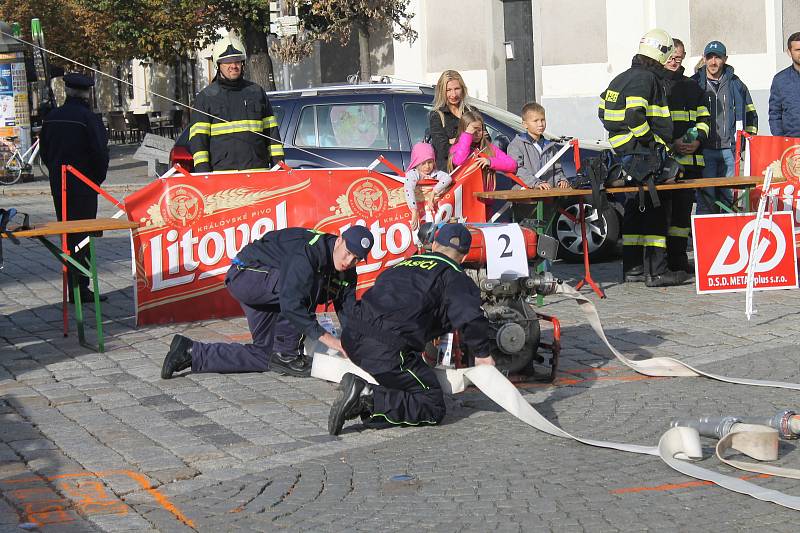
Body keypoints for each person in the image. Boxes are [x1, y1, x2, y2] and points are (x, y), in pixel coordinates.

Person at [328, 223, 495, 436]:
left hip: (352, 336)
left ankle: (376, 398)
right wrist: (482, 354)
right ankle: (367, 397)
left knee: (404, 384)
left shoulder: (403, 264)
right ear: (463, 258)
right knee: (432, 403)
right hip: (385, 349)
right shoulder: (453, 275)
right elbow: (470, 316)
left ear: (433, 244)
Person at [160, 225, 375, 380]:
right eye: (347, 253)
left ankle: (189, 353)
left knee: (265, 356)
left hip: (270, 288)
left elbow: (348, 312)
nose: (348, 262)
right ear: (339, 241)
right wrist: (332, 342)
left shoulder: (348, 272)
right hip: (245, 275)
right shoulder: (310, 253)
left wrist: (357, 345)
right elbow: (292, 303)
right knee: (307, 285)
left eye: (356, 259)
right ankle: (287, 353)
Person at [599, 28, 686, 287]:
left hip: (627, 153)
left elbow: (603, 111)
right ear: (660, 53)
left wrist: (624, 140)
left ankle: (633, 268)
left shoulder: (622, 77)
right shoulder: (646, 79)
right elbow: (635, 115)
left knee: (636, 210)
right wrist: (651, 142)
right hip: (643, 155)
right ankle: (657, 272)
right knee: (655, 211)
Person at [40, 73, 109, 303]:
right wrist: (96, 181)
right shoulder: (88, 118)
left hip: (60, 186)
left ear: (66, 91)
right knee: (84, 236)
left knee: (68, 236)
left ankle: (73, 286)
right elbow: (100, 153)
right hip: (84, 186)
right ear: (87, 93)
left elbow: (45, 153)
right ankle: (82, 286)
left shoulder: (51, 118)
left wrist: (55, 174)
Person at [188, 34, 283, 173]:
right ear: (218, 65)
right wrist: (204, 176)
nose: (233, 66)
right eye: (227, 62)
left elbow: (272, 135)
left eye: (237, 61)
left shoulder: (256, 93)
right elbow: (198, 143)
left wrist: (279, 168)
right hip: (222, 179)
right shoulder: (206, 97)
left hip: (259, 175)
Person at [691, 40, 758, 213]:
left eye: (718, 57)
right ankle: (708, 238)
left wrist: (745, 143)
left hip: (730, 151)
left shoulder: (736, 84)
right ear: (704, 59)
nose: (713, 62)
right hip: (704, 151)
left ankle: (729, 236)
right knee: (707, 198)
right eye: (710, 57)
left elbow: (750, 113)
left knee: (729, 198)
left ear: (725, 59)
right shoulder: (694, 84)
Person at [663, 38, 711, 273]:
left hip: (690, 161)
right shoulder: (655, 84)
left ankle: (679, 261)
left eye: (679, 58)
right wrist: (672, 144)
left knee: (682, 218)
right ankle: (659, 263)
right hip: (663, 163)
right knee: (662, 216)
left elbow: (704, 119)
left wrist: (696, 140)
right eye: (671, 57)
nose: (674, 62)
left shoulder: (692, 87)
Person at [507, 102, 569, 190]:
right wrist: (535, 183)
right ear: (525, 124)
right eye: (535, 121)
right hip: (525, 198)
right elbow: (517, 170)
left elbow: (557, 170)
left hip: (547, 197)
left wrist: (561, 180)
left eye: (542, 120)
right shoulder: (516, 145)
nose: (540, 124)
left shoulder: (551, 147)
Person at [429, 70, 473, 171]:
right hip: (448, 174)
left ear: (463, 89)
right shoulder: (437, 115)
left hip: (471, 169)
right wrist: (468, 138)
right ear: (442, 91)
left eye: (457, 88)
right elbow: (443, 149)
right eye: (448, 90)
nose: (453, 94)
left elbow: (485, 140)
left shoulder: (471, 111)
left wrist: (454, 140)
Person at [403, 142, 452, 230]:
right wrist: (414, 210)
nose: (427, 166)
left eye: (430, 162)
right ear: (416, 162)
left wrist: (433, 193)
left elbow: (448, 178)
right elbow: (409, 189)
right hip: (417, 213)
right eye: (423, 163)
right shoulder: (413, 173)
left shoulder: (435, 173)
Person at [769, 32, 800, 138]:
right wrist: (781, 139)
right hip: (791, 144)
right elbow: (775, 113)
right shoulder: (780, 80)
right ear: (789, 52)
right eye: (797, 50)